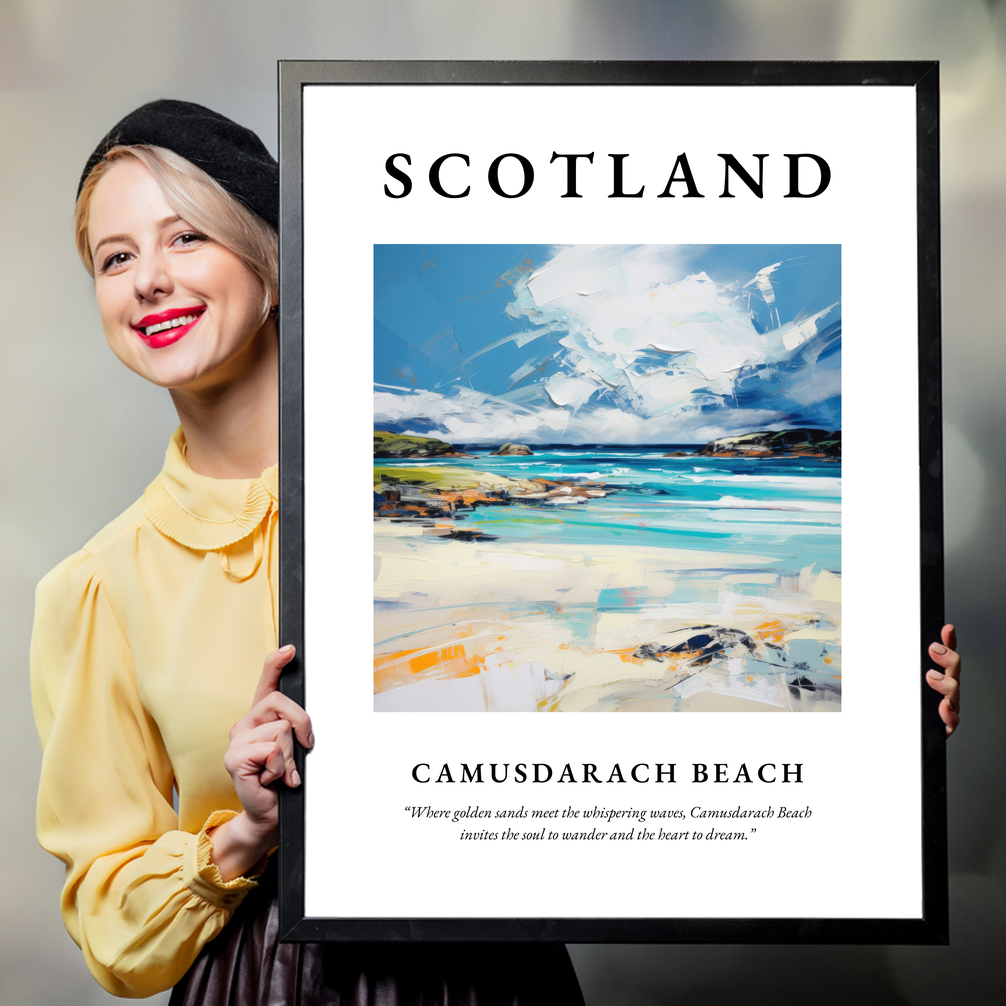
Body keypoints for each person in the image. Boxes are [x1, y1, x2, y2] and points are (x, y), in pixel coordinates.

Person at [30, 100, 585, 1004]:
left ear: (273, 264)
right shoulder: (98, 587)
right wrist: (245, 832)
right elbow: (110, 924)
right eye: (116, 257)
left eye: (186, 239)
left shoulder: (448, 501)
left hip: (492, 973)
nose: (148, 281)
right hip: (263, 982)